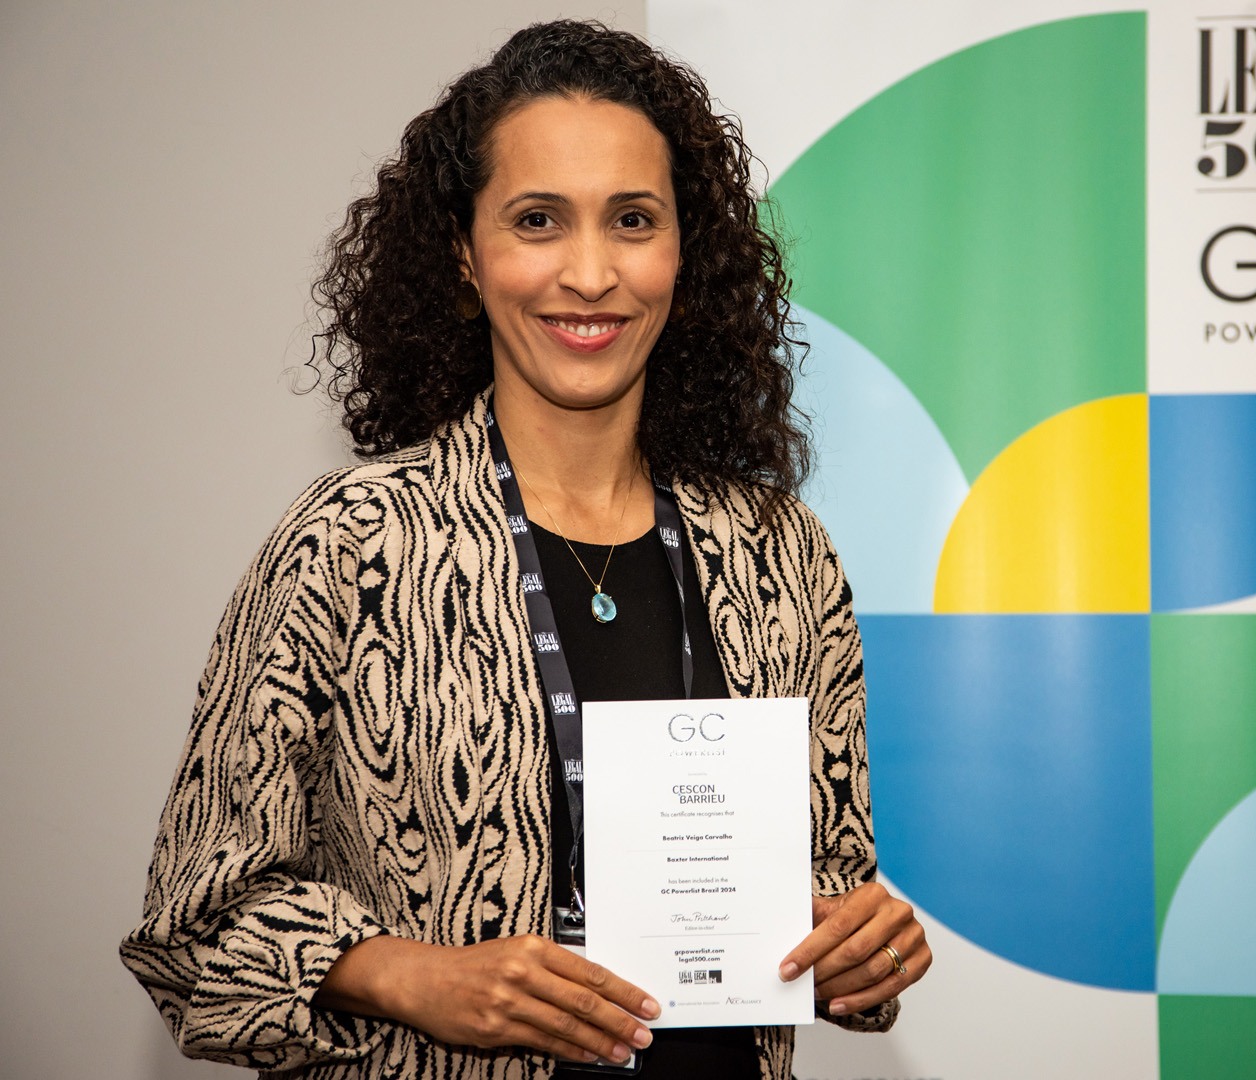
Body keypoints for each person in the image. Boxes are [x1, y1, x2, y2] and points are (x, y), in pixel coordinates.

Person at [119, 19, 930, 1080]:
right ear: (464, 257)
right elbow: (192, 927)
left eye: (633, 220)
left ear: (684, 256)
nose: (590, 274)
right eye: (538, 220)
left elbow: (831, 894)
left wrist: (863, 949)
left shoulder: (781, 554)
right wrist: (410, 975)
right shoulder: (349, 543)